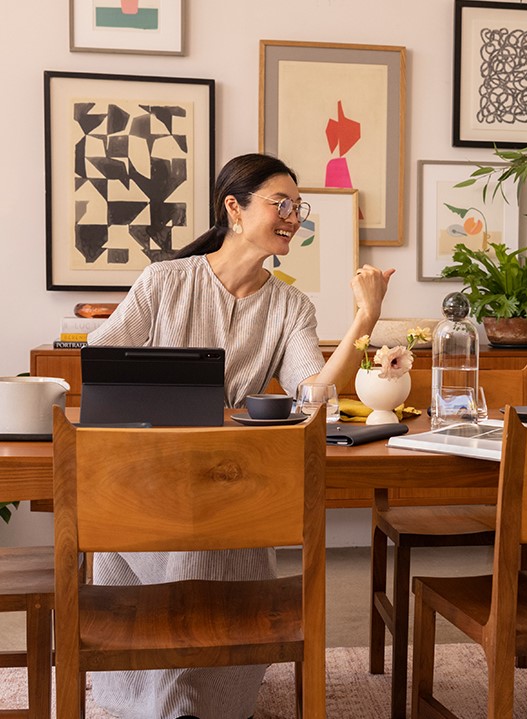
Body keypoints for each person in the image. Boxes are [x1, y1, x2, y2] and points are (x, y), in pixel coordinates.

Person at [86, 152, 394, 719]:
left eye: (298, 208)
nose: (293, 216)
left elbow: (311, 396)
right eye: (282, 203)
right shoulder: (164, 280)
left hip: (233, 482)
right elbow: (99, 358)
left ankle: (193, 701)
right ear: (234, 206)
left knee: (214, 581)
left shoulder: (289, 304)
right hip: (148, 481)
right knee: (177, 572)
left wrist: (363, 320)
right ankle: (165, 703)